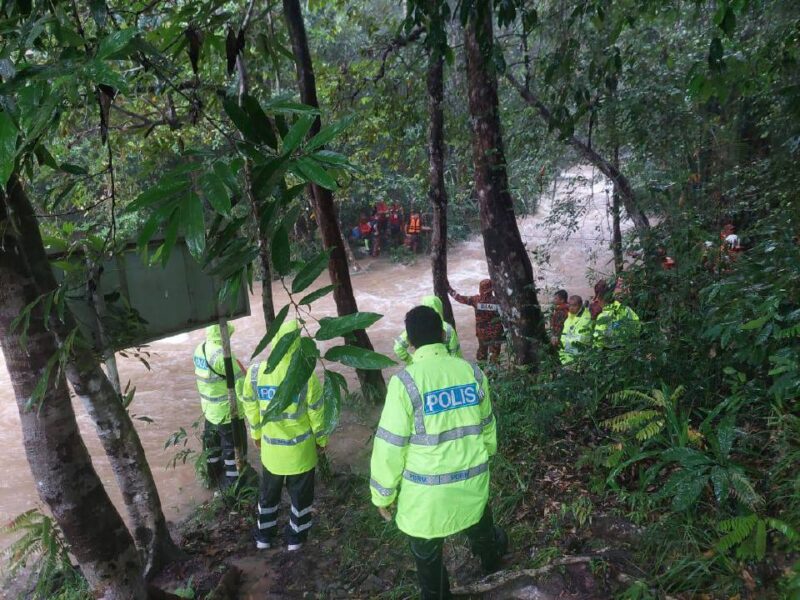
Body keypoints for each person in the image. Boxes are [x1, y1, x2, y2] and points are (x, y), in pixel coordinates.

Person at [370, 305, 507, 599]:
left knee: (429, 563)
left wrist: (383, 494)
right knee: (483, 532)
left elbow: (390, 444)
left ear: (410, 342)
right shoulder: (471, 371)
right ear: (443, 335)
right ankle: (495, 574)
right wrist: (485, 457)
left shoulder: (405, 382)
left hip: (426, 499)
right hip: (472, 484)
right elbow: (487, 427)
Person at [241, 320, 328, 551]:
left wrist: (256, 434)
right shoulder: (306, 374)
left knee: (268, 496)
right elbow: (317, 411)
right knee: (301, 500)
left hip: (271, 452)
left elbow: (250, 406)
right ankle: (295, 542)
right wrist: (321, 441)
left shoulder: (256, 372)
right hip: (301, 453)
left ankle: (263, 538)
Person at [193, 324, 247, 489]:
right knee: (232, 449)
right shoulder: (224, 357)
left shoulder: (199, 349)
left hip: (209, 410)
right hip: (227, 412)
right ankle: (233, 485)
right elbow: (242, 383)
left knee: (212, 446)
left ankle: (212, 478)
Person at [448, 279, 505, 362]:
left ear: (480, 289)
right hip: (496, 334)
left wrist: (449, 289)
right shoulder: (498, 301)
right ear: (491, 289)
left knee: (482, 353)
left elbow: (459, 298)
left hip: (482, 333)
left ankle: (481, 371)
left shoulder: (476, 300)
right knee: (495, 356)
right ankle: (494, 373)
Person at [394, 295, 461, 365]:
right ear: (440, 307)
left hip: (420, 363)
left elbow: (398, 348)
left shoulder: (415, 327)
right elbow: (455, 353)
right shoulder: (449, 329)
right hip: (444, 364)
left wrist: (411, 361)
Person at [592, 280, 640, 348]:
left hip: (610, 353)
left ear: (599, 299)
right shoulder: (625, 308)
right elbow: (637, 325)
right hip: (628, 348)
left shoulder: (603, 317)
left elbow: (598, 340)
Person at [560, 295, 591, 364]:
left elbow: (582, 338)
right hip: (565, 356)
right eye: (570, 305)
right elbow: (564, 336)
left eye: (574, 305)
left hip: (577, 357)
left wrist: (565, 341)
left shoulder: (585, 318)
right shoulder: (569, 317)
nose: (571, 308)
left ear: (580, 305)